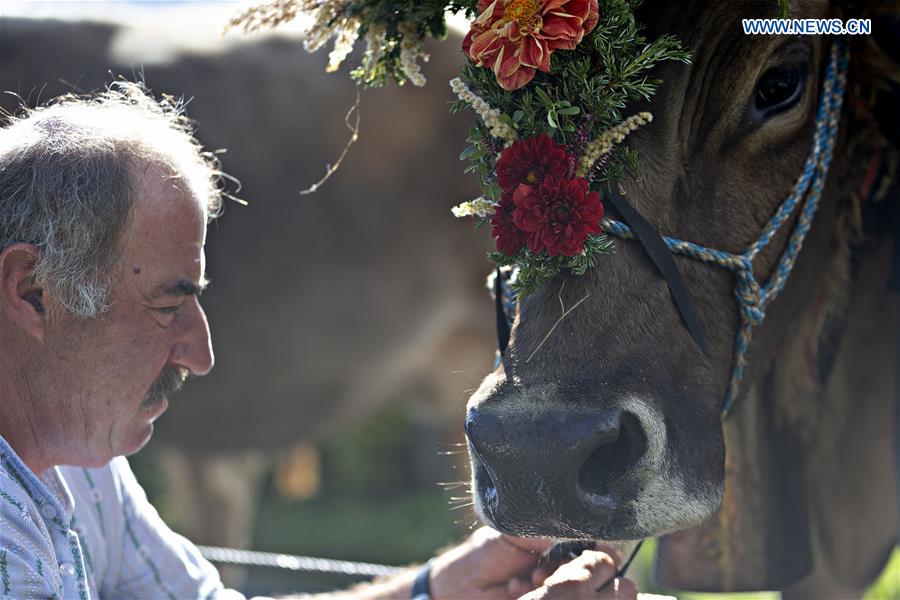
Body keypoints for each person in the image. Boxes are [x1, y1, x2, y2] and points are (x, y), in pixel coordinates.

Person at [0, 83, 639, 600]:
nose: (201, 354)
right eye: (168, 304)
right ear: (32, 291)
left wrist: (435, 589)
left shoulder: (80, 468)